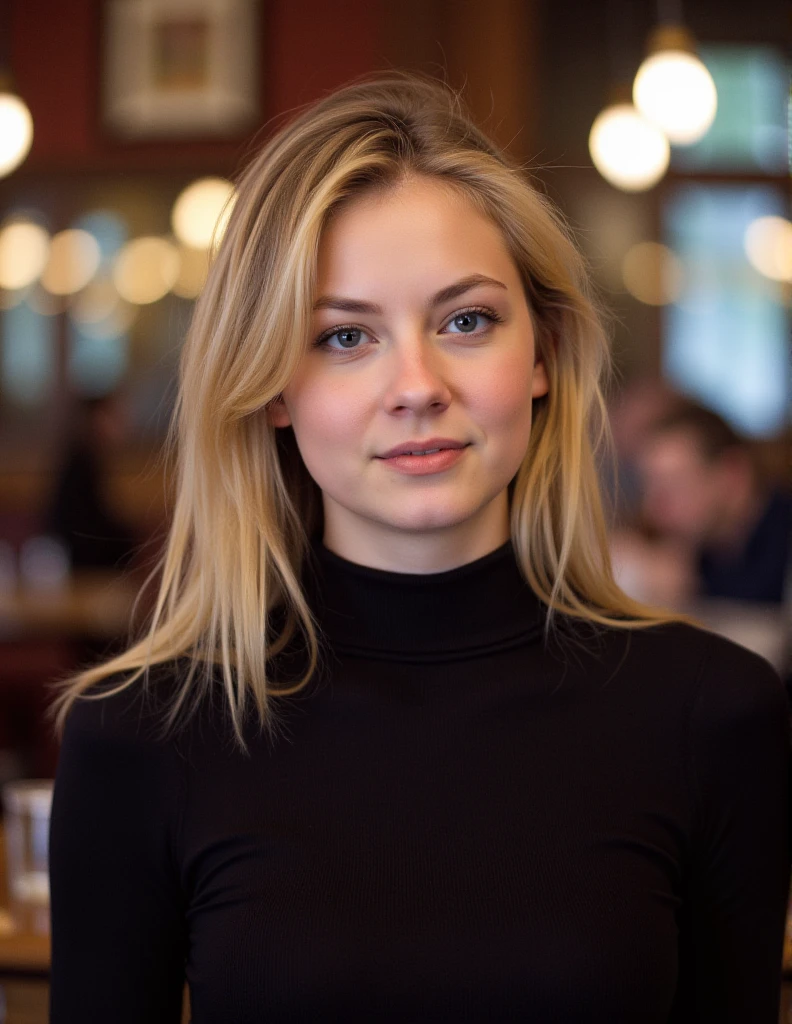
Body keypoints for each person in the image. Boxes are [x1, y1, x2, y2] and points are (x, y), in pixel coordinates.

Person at [45, 72, 790, 1022]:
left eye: (466, 321)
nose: (417, 385)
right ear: (274, 385)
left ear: (543, 357)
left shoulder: (713, 711)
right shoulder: (141, 734)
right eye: (346, 336)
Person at [637, 400, 792, 606]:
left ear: (732, 475)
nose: (653, 509)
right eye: (649, 486)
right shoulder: (696, 553)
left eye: (673, 486)